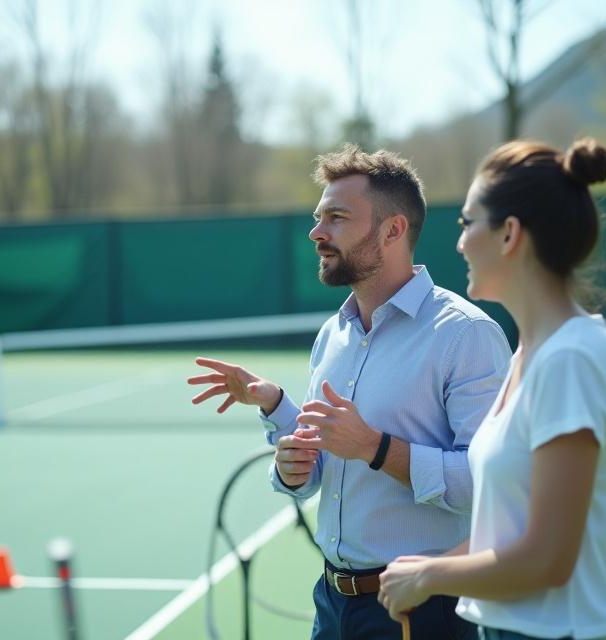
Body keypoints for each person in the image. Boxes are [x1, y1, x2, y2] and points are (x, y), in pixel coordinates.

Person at [188, 144, 510, 640]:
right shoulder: (332, 335)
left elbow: (489, 487)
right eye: (319, 218)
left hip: (420, 609)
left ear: (393, 230)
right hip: (332, 604)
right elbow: (319, 473)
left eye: (336, 217)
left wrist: (375, 448)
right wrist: (281, 422)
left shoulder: (466, 335)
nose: (317, 232)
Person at [377, 138, 606, 640]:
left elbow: (547, 560)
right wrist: (423, 569)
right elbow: (509, 533)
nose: (459, 243)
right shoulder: (531, 354)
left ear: (509, 234)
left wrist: (429, 577)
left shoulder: (571, 359)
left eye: (467, 223)